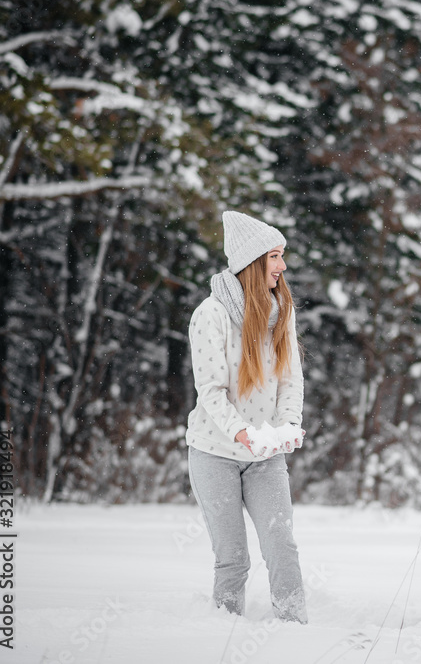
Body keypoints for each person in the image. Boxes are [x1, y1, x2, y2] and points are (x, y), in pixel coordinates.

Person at [185, 210, 308, 623]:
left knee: (281, 546)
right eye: (275, 256)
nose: (283, 266)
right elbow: (210, 391)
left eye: (282, 255)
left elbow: (291, 378)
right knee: (233, 556)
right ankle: (223, 630)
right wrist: (241, 433)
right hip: (214, 452)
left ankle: (295, 629)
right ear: (252, 261)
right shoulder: (211, 314)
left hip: (265, 456)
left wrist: (288, 425)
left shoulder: (282, 311)